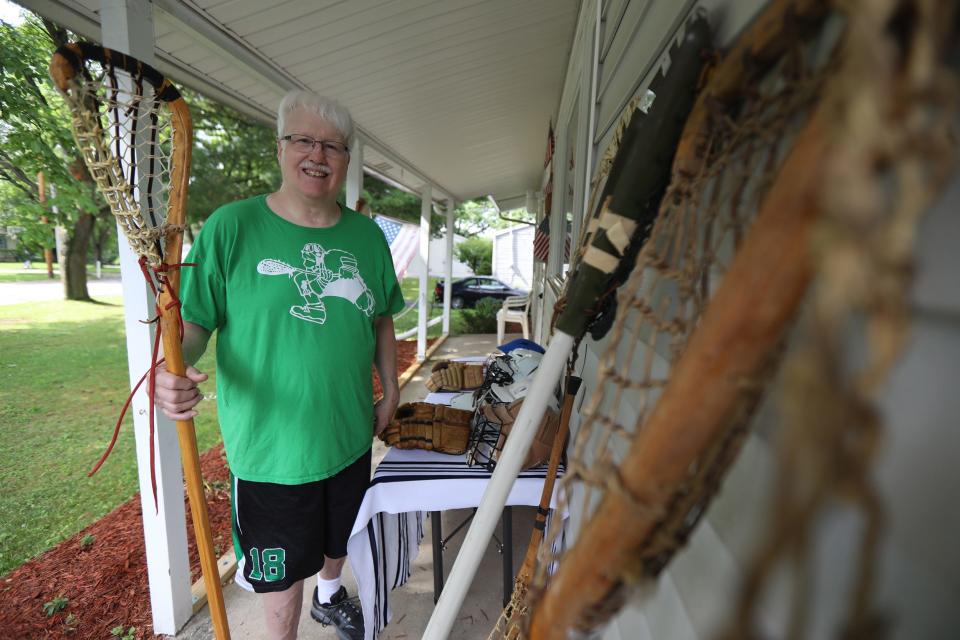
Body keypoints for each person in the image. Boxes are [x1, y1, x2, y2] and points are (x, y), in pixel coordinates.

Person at [153, 90, 404, 640]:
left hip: (349, 431)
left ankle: (332, 595)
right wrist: (172, 368)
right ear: (281, 147)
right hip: (271, 453)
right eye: (304, 141)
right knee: (281, 580)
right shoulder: (231, 227)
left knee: (339, 541)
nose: (318, 155)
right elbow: (194, 324)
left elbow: (381, 316)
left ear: (346, 158)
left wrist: (391, 388)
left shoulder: (366, 237)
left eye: (334, 146)